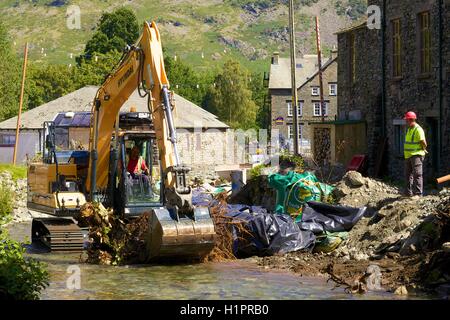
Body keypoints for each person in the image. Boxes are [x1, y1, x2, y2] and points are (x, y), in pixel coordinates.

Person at [403, 111, 427, 197]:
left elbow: (423, 142)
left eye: (407, 120)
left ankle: (418, 194)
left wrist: (423, 149)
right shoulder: (409, 129)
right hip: (409, 155)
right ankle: (408, 193)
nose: (406, 122)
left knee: (417, 174)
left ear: (411, 120)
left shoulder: (418, 129)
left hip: (416, 155)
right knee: (408, 174)